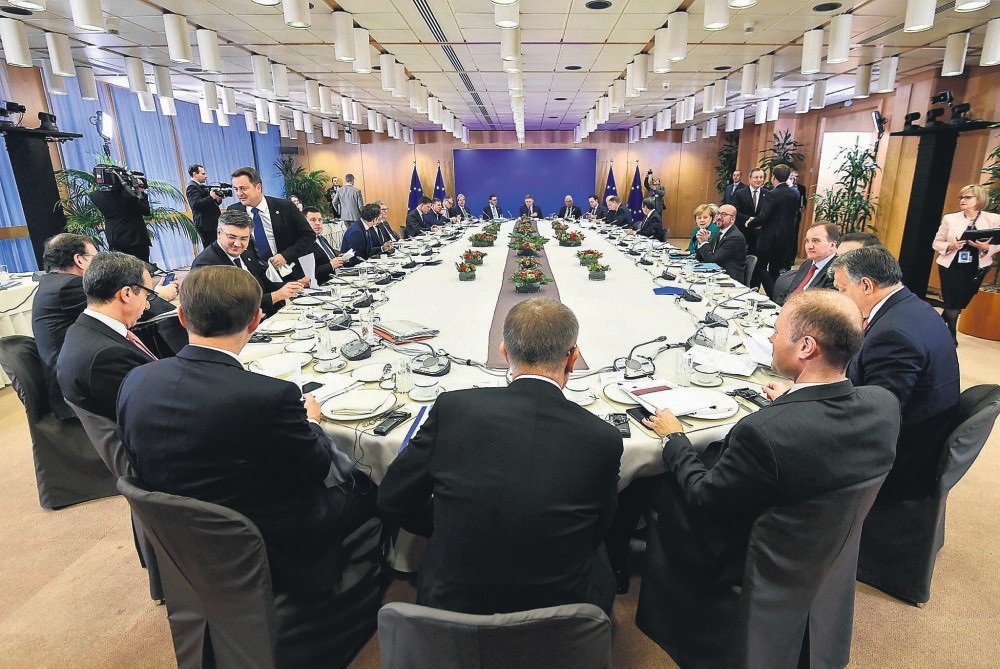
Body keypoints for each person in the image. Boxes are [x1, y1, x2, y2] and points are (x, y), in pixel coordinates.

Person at [116, 265, 383, 663]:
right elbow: (314, 469)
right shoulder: (269, 397)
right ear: (257, 319)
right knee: (371, 488)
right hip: (264, 540)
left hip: (180, 536)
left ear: (182, 316)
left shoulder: (137, 380)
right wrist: (310, 422)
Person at [636, 290, 900, 668]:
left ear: (807, 347)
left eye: (776, 331)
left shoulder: (763, 432)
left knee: (656, 483)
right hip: (825, 547)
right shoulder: (884, 406)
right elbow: (819, 434)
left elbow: (703, 497)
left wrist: (674, 437)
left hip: (745, 559)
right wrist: (793, 400)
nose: (772, 340)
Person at [378, 298, 623, 615]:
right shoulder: (603, 437)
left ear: (503, 351)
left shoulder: (454, 409)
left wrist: (453, 523)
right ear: (573, 358)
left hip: (450, 606)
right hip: (559, 616)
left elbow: (393, 500)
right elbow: (598, 530)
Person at [830, 247, 960, 501]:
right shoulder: (913, 307)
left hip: (902, 457)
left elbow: (878, 415)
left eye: (842, 289)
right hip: (922, 428)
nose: (839, 296)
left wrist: (808, 397)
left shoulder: (894, 335)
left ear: (867, 285)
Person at [33, 234, 177, 419]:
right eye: (96, 257)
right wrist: (159, 296)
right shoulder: (70, 286)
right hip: (85, 383)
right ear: (79, 259)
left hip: (77, 373)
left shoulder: (51, 283)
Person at [56, 252, 158, 420]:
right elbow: (150, 412)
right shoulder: (107, 356)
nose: (147, 306)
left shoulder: (82, 329)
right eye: (147, 296)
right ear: (126, 294)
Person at [191, 210, 304, 316]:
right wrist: (276, 296)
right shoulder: (205, 265)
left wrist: (294, 285)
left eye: (244, 238)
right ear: (219, 233)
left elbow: (265, 284)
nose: (237, 244)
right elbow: (229, 305)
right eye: (232, 237)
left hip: (262, 317)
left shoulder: (246, 254)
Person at [932, 184, 1000, 340]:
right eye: (961, 197)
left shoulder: (994, 219)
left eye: (967, 197)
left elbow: (997, 244)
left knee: (960, 300)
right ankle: (951, 335)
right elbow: (936, 243)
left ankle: (939, 324)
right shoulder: (950, 218)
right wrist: (950, 245)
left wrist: (985, 247)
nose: (962, 200)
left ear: (979, 199)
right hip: (951, 265)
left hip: (976, 266)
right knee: (954, 297)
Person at [226, 166, 315, 284]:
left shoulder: (285, 207)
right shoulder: (234, 211)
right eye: (236, 189)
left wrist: (286, 256)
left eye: (243, 188)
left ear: (258, 187)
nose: (239, 193)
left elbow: (308, 236)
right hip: (259, 277)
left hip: (290, 271)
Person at [748, 164, 800, 296]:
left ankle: (773, 294)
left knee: (760, 267)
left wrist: (750, 223)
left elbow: (763, 217)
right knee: (776, 269)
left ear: (773, 177)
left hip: (769, 238)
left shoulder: (772, 194)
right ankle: (777, 294)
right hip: (787, 237)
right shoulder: (795, 193)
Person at [89, 173, 152, 262]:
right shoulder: (129, 194)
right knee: (142, 271)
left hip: (115, 239)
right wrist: (139, 190)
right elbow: (146, 210)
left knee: (122, 271)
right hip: (136, 239)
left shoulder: (94, 195)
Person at [772, 222, 839, 306]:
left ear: (832, 245)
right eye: (807, 241)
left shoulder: (836, 271)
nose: (809, 246)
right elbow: (789, 292)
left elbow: (823, 307)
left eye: (816, 241)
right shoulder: (808, 264)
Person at [695, 204, 747, 283]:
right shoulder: (719, 233)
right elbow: (701, 258)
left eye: (723, 214)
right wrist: (701, 241)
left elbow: (712, 261)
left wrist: (704, 242)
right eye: (718, 214)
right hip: (716, 275)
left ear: (732, 219)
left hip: (729, 281)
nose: (719, 217)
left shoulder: (735, 237)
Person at [186, 163, 224, 247]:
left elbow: (209, 203)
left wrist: (217, 199)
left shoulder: (200, 186)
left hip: (212, 224)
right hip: (206, 226)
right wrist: (211, 197)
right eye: (203, 174)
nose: (206, 176)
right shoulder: (192, 187)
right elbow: (196, 204)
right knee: (211, 249)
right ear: (194, 174)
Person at [304, 207, 344, 284]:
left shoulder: (321, 239)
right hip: (324, 284)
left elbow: (328, 255)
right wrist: (331, 265)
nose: (318, 223)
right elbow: (309, 275)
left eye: (320, 220)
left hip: (339, 277)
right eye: (313, 220)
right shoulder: (304, 244)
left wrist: (340, 256)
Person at [732, 167, 766, 252]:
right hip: (743, 230)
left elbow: (767, 212)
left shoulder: (767, 194)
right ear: (749, 179)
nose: (759, 180)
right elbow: (736, 211)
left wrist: (758, 220)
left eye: (761, 177)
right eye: (756, 177)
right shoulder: (739, 193)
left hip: (759, 233)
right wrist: (749, 219)